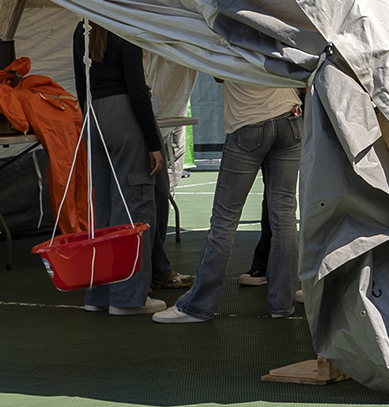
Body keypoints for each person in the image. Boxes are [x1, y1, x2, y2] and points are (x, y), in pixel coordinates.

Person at [156, 78, 306, 323]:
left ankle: (198, 306)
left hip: (248, 122)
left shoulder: (234, 47)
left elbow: (219, 73)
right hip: (289, 118)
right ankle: (282, 303)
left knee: (224, 220)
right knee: (284, 217)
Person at [73, 21, 168, 315]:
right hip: (124, 115)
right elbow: (137, 90)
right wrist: (153, 142)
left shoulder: (82, 29)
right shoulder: (124, 26)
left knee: (102, 207)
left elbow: (80, 84)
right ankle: (128, 298)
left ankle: (98, 294)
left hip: (93, 115)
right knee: (134, 206)